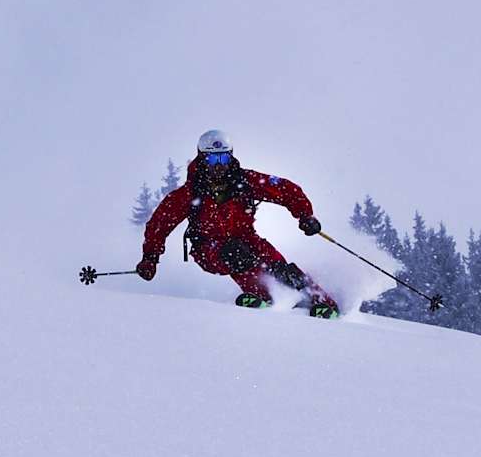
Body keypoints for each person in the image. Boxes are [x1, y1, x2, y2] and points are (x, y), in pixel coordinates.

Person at [137, 130, 339, 318]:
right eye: (212, 158)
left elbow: (286, 189)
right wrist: (150, 258)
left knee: (278, 265)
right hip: (208, 247)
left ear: (230, 156)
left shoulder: (244, 181)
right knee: (235, 253)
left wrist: (305, 216)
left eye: (223, 158)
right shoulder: (189, 193)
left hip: (247, 238)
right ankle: (265, 297)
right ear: (201, 158)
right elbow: (159, 224)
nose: (218, 165)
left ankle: (321, 302)